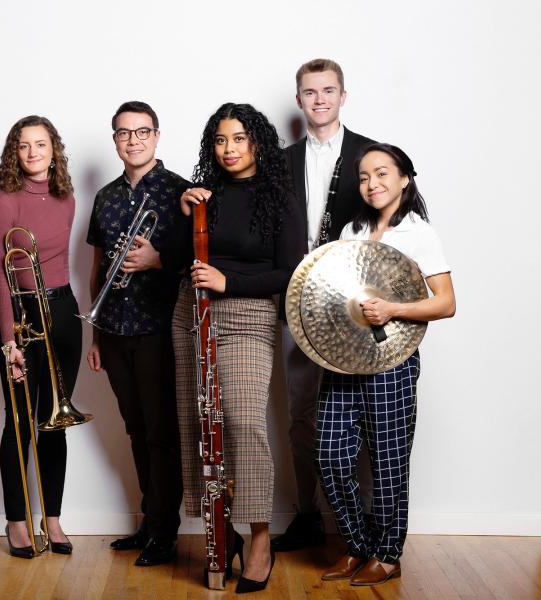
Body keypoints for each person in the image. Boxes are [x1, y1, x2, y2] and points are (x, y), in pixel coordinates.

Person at [176, 103, 305, 593]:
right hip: (190, 311)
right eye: (220, 140)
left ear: (257, 143)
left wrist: (229, 281)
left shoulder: (280, 198)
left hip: (247, 314)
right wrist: (184, 213)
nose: (228, 150)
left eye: (238, 139)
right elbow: (175, 261)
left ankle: (259, 538)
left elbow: (290, 273)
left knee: (244, 421)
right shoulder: (204, 195)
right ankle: (218, 532)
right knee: (197, 422)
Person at [316, 143, 456, 586]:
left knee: (389, 460)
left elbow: (446, 303)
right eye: (363, 176)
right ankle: (357, 545)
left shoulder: (418, 233)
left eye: (381, 174)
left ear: (404, 179)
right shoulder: (351, 230)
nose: (371, 183)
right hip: (343, 359)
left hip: (392, 360)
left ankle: (388, 554)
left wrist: (392, 309)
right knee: (330, 453)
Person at [274, 58, 377, 552]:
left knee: (361, 410)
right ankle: (309, 513)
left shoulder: (368, 154)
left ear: (343, 95)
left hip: (352, 305)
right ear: (299, 100)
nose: (319, 99)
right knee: (301, 412)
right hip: (297, 303)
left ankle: (364, 520)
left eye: (328, 90)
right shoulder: (282, 160)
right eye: (310, 92)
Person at [85, 101, 186, 567]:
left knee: (162, 432)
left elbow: (200, 264)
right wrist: (95, 334)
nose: (134, 140)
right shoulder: (104, 197)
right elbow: (97, 266)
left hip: (159, 329)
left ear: (157, 136)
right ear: (115, 140)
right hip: (115, 328)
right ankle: (151, 520)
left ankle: (165, 532)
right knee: (136, 428)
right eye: (124, 133)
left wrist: (158, 260)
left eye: (142, 132)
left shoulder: (181, 191)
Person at [0, 115, 80, 558]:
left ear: (53, 149)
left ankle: (54, 520)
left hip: (63, 312)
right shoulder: (3, 204)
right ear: (14, 152)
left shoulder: (67, 198)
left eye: (40, 144)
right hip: (22, 317)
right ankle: (17, 522)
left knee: (54, 423)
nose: (33, 153)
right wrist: (9, 342)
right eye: (23, 145)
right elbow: (1, 278)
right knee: (19, 423)